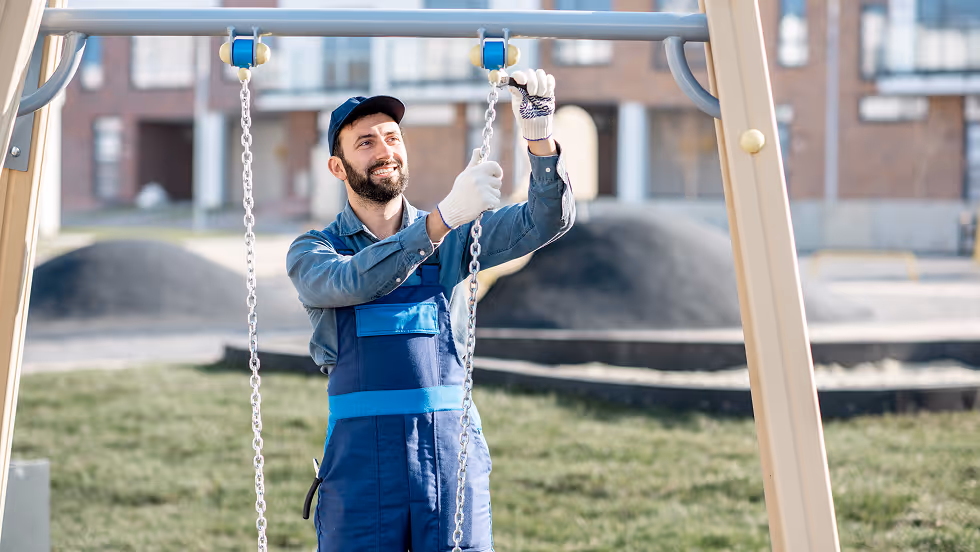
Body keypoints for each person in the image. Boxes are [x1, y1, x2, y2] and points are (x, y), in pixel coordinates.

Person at [287, 68, 574, 552]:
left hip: (449, 458)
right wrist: (440, 221)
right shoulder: (315, 251)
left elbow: (546, 220)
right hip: (359, 470)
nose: (384, 150)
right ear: (337, 167)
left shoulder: (456, 238)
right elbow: (352, 280)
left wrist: (539, 137)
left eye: (392, 137)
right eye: (365, 143)